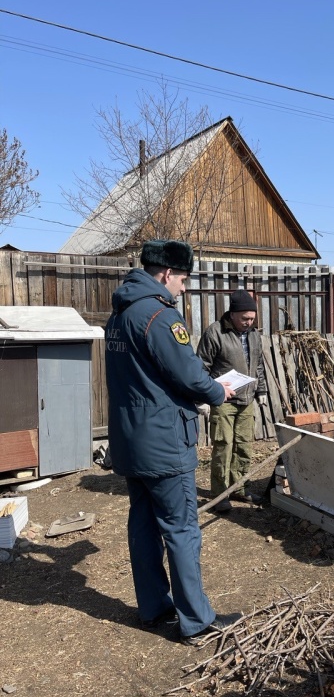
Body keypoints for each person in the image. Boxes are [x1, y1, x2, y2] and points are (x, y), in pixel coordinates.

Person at [105, 239, 241, 646]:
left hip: (130, 442)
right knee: (181, 529)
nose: (183, 288)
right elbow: (189, 376)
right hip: (164, 442)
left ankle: (154, 606)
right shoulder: (160, 318)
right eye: (182, 279)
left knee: (143, 525)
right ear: (166, 274)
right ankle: (196, 619)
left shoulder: (119, 314)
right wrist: (219, 392)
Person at [197, 289, 268, 513]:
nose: (249, 322)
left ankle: (239, 488)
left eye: (252, 319)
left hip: (246, 400)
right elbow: (201, 367)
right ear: (232, 314)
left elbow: (258, 365)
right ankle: (220, 495)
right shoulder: (215, 333)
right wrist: (205, 395)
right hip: (223, 401)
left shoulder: (254, 334)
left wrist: (262, 391)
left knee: (244, 446)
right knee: (224, 447)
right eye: (244, 318)